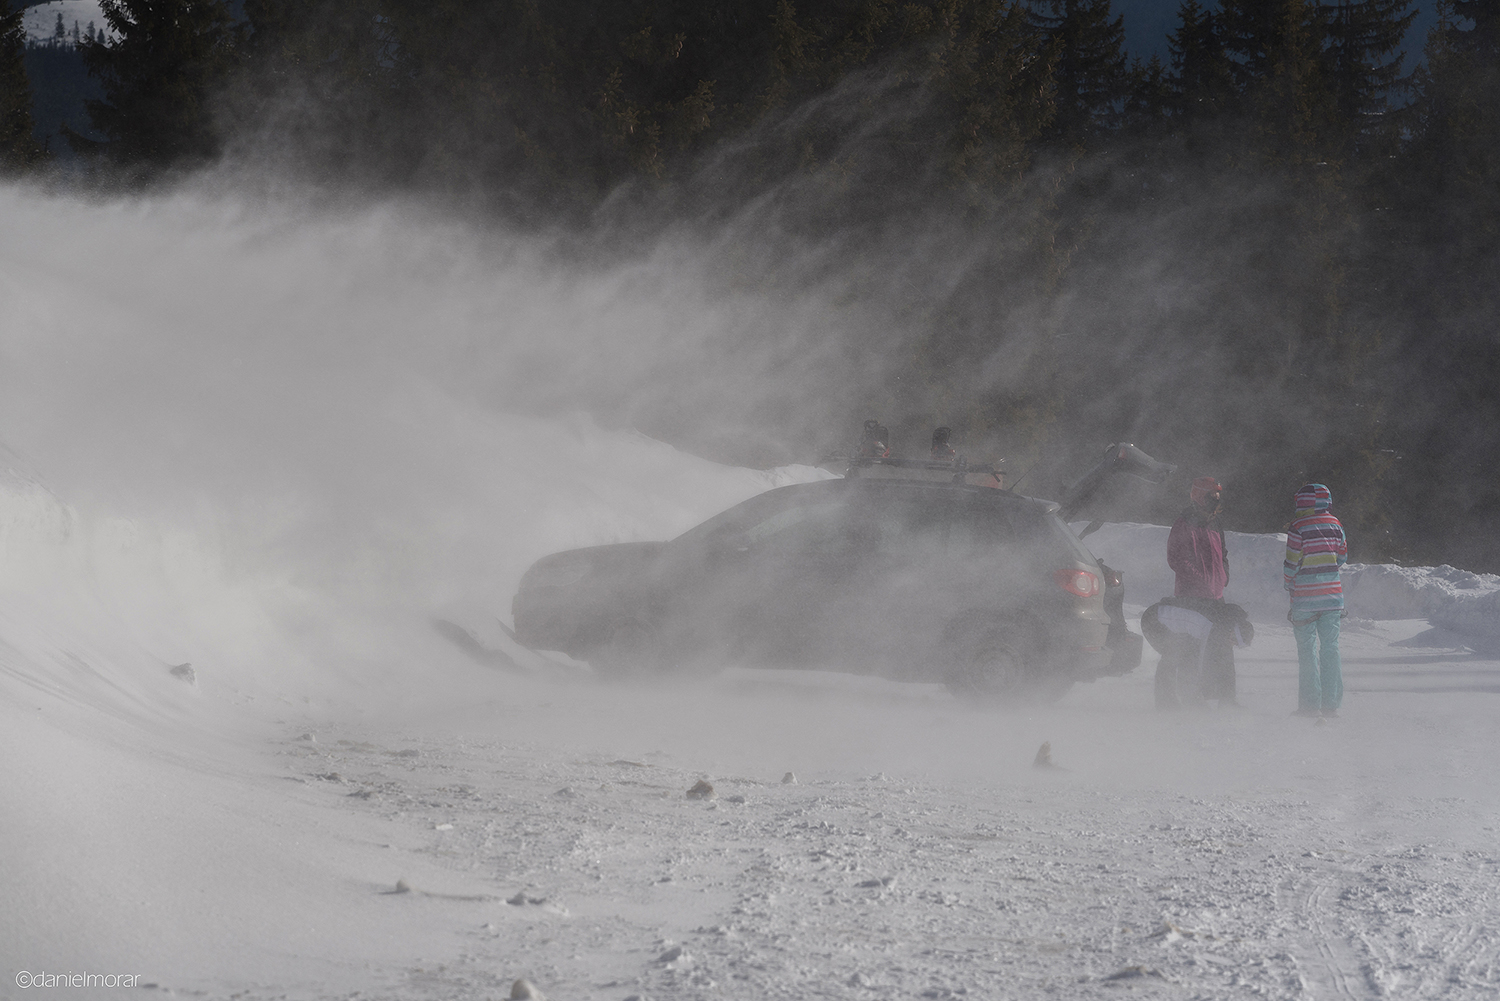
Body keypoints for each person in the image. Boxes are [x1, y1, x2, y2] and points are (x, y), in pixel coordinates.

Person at [1161, 476, 1242, 705]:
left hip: (1216, 596)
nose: (1216, 499)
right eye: (1212, 495)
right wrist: (1199, 581)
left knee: (1223, 646)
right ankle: (1192, 697)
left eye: (1218, 495)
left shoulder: (1216, 522)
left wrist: (1224, 575)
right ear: (1199, 496)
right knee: (1192, 648)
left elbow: (1223, 553)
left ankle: (1227, 698)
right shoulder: (1184, 522)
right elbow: (1176, 558)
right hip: (1191, 597)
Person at [1284, 483, 1348, 718]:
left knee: (1307, 650)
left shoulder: (1298, 526)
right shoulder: (1336, 524)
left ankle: (1310, 706)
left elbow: (1291, 563)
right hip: (1332, 597)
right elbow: (1342, 557)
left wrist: (1289, 584)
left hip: (1305, 598)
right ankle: (1331, 705)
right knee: (1331, 648)